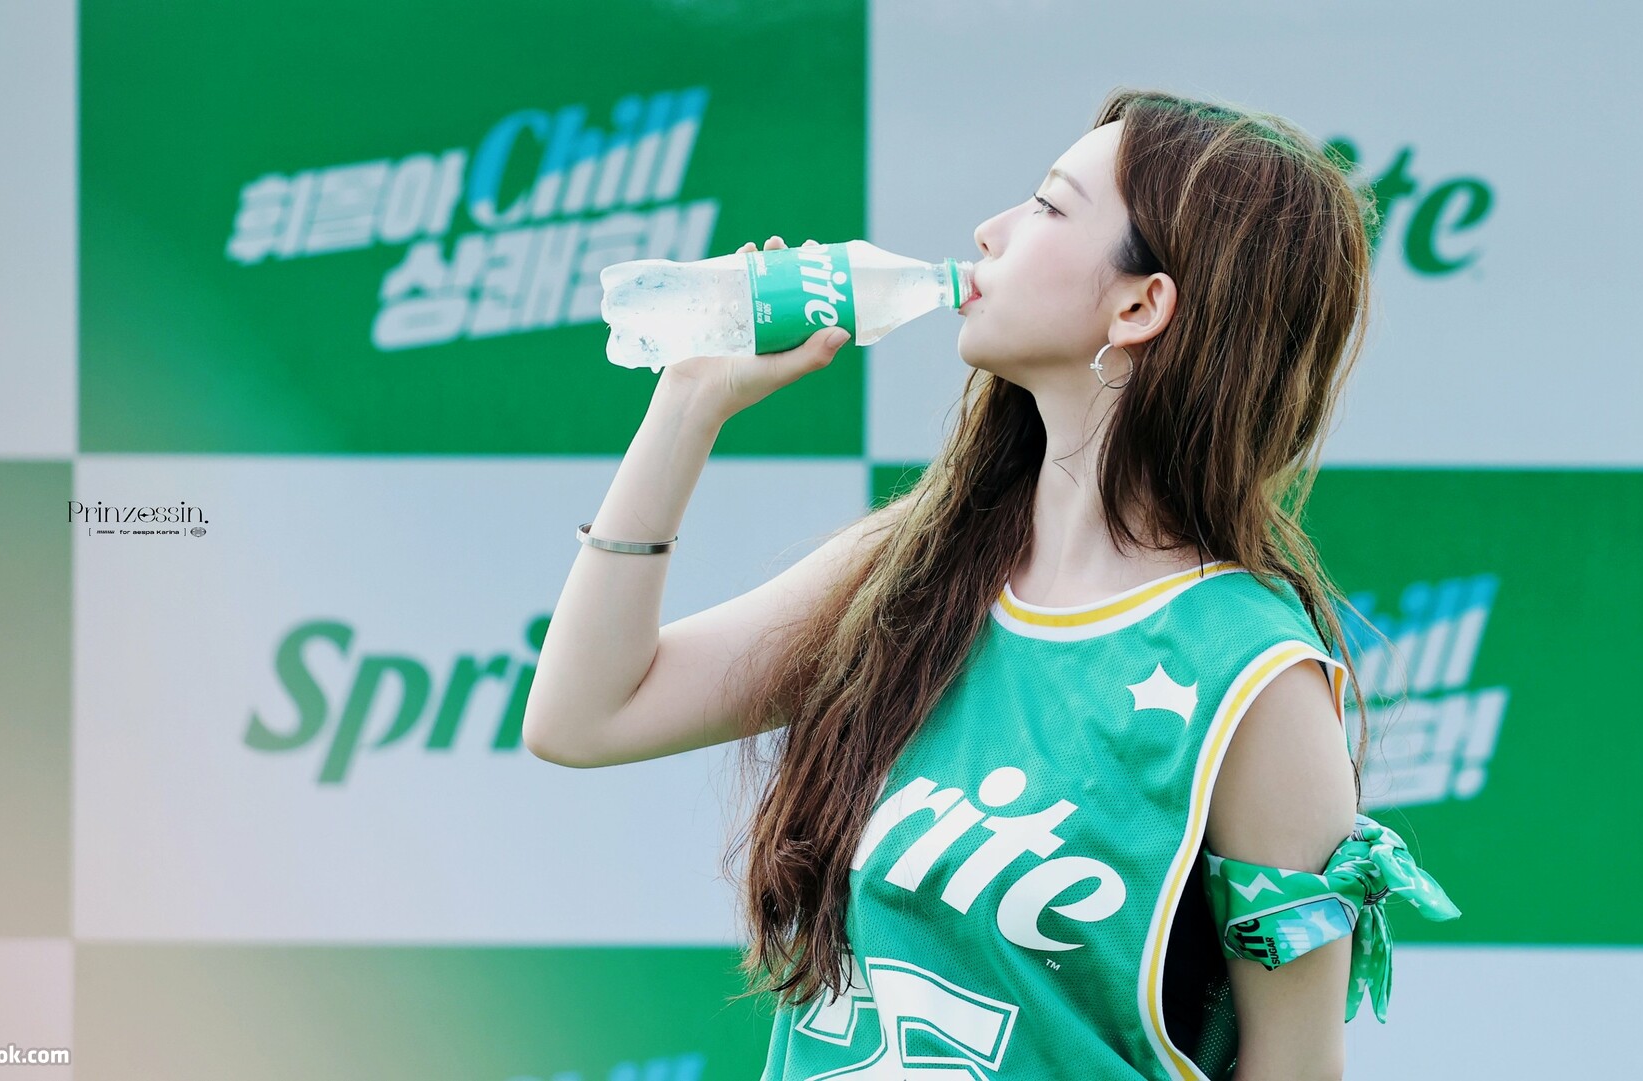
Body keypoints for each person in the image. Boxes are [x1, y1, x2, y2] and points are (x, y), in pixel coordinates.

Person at [523, 86, 1460, 1081]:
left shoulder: (1253, 676)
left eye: (1049, 206)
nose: (991, 230)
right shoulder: (921, 563)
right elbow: (586, 716)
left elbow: (1295, 1067)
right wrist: (689, 401)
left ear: (1140, 305)